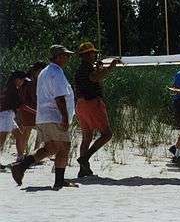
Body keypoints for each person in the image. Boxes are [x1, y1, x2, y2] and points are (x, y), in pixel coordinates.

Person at [11, 45, 78, 190]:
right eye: (66, 55)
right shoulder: (56, 72)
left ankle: (21, 166)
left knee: (51, 147)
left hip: (44, 116)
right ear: (58, 56)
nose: (68, 58)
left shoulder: (45, 72)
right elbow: (59, 97)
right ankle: (59, 181)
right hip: (54, 115)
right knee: (64, 147)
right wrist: (65, 117)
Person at [74, 42, 119, 178]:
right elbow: (95, 78)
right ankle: (85, 158)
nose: (95, 55)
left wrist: (100, 69)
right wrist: (110, 68)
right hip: (92, 103)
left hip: (80, 105)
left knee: (87, 136)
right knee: (107, 134)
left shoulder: (82, 69)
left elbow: (93, 78)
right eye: (93, 53)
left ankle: (83, 169)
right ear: (88, 54)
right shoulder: (87, 68)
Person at [17, 62, 47, 159]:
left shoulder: (27, 80)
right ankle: (30, 155)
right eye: (40, 71)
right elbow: (34, 98)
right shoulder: (31, 82)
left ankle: (26, 154)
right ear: (36, 71)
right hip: (30, 109)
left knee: (27, 132)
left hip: (26, 109)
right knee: (29, 132)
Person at [0, 71, 27, 168]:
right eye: (22, 80)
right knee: (2, 139)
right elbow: (20, 106)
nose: (23, 82)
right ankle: (20, 157)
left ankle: (20, 158)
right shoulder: (13, 90)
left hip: (8, 115)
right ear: (17, 79)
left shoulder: (8, 88)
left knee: (19, 135)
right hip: (5, 115)